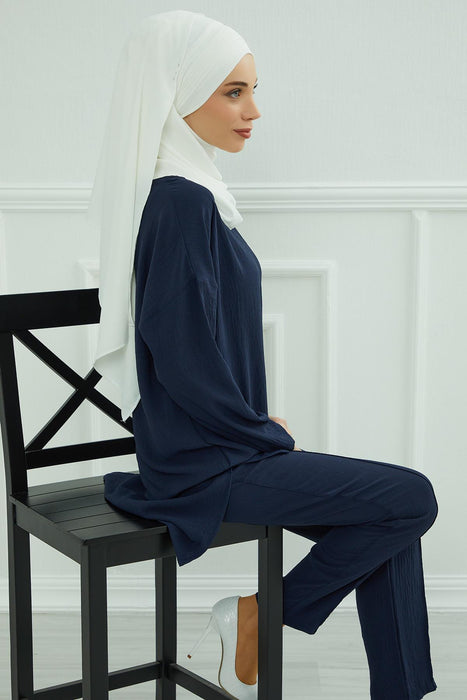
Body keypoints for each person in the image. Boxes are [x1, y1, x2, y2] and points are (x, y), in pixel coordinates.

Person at [86, 10, 439, 700]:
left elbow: (194, 345)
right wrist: (255, 432)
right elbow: (181, 358)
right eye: (232, 92)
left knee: (389, 517)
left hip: (222, 447)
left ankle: (384, 684)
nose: (253, 111)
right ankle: (258, 616)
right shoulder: (179, 202)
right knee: (407, 499)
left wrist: (251, 424)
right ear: (178, 95)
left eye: (252, 90)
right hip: (205, 466)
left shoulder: (194, 192)